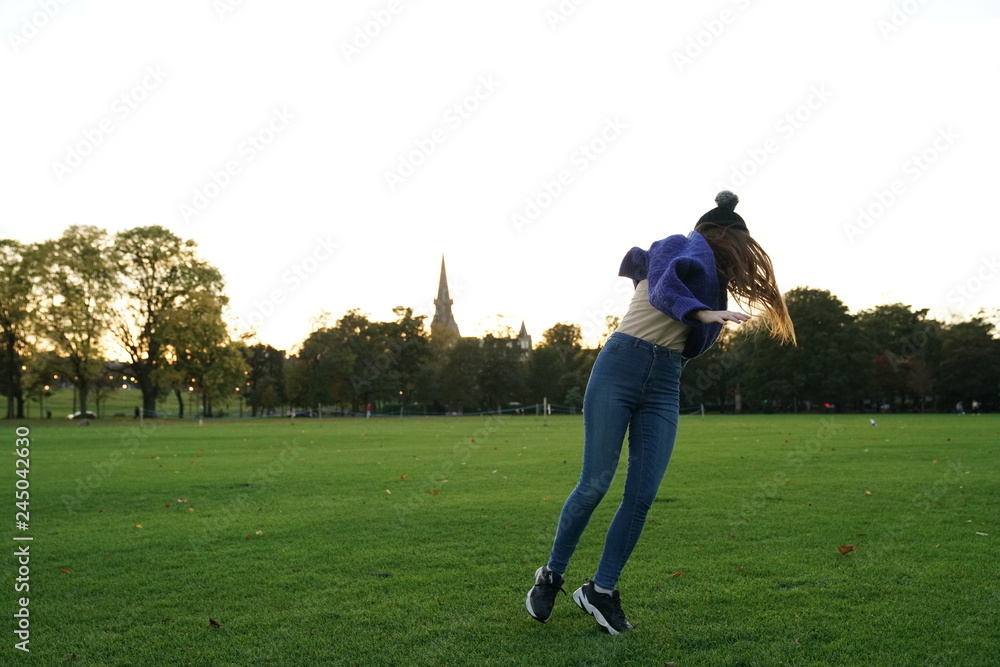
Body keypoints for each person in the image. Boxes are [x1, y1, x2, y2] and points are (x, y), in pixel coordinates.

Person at [525, 191, 796, 634]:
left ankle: (602, 591)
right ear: (720, 236)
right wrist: (703, 312)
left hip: (665, 380)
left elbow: (687, 335)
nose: (744, 260)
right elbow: (667, 287)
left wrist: (709, 315)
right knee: (594, 483)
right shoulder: (675, 246)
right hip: (620, 365)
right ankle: (551, 575)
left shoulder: (714, 283)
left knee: (642, 494)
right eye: (740, 247)